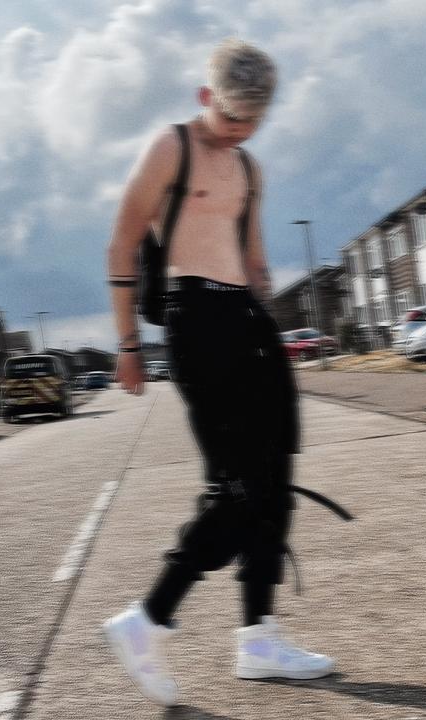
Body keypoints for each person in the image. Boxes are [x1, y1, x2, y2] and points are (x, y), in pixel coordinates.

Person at [103, 38, 335, 707]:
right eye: (232, 117)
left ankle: (259, 639)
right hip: (195, 320)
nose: (240, 130)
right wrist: (126, 343)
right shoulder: (170, 148)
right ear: (207, 97)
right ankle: (146, 620)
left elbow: (254, 257)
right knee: (234, 490)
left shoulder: (249, 167)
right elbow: (122, 242)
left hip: (248, 323)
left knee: (275, 486)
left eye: (253, 121)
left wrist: (270, 322)